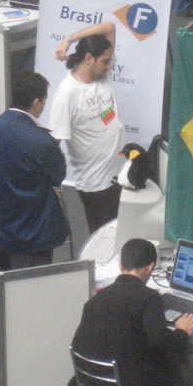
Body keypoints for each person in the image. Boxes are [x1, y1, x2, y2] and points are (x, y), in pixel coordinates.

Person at [71, 238, 193, 386]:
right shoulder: (148, 298)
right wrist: (182, 331)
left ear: (121, 265)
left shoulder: (95, 301)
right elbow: (162, 344)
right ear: (150, 267)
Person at [0, 71, 69, 351]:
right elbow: (58, 175)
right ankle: (24, 354)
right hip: (32, 235)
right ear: (37, 102)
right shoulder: (41, 141)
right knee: (29, 301)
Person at [51, 24, 125, 235]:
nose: (110, 66)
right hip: (96, 184)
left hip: (118, 174)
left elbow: (109, 27)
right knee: (103, 238)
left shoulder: (101, 75)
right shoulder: (67, 94)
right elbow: (53, 145)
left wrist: (69, 39)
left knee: (121, 233)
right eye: (105, 61)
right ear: (89, 59)